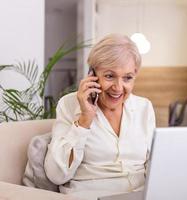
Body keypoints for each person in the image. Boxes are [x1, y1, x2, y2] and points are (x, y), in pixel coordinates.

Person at [44, 34, 156, 199]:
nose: (118, 87)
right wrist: (84, 119)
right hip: (92, 195)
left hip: (139, 194)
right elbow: (56, 174)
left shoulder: (144, 107)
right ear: (92, 75)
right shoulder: (69, 105)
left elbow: (154, 163)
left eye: (127, 78)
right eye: (110, 76)